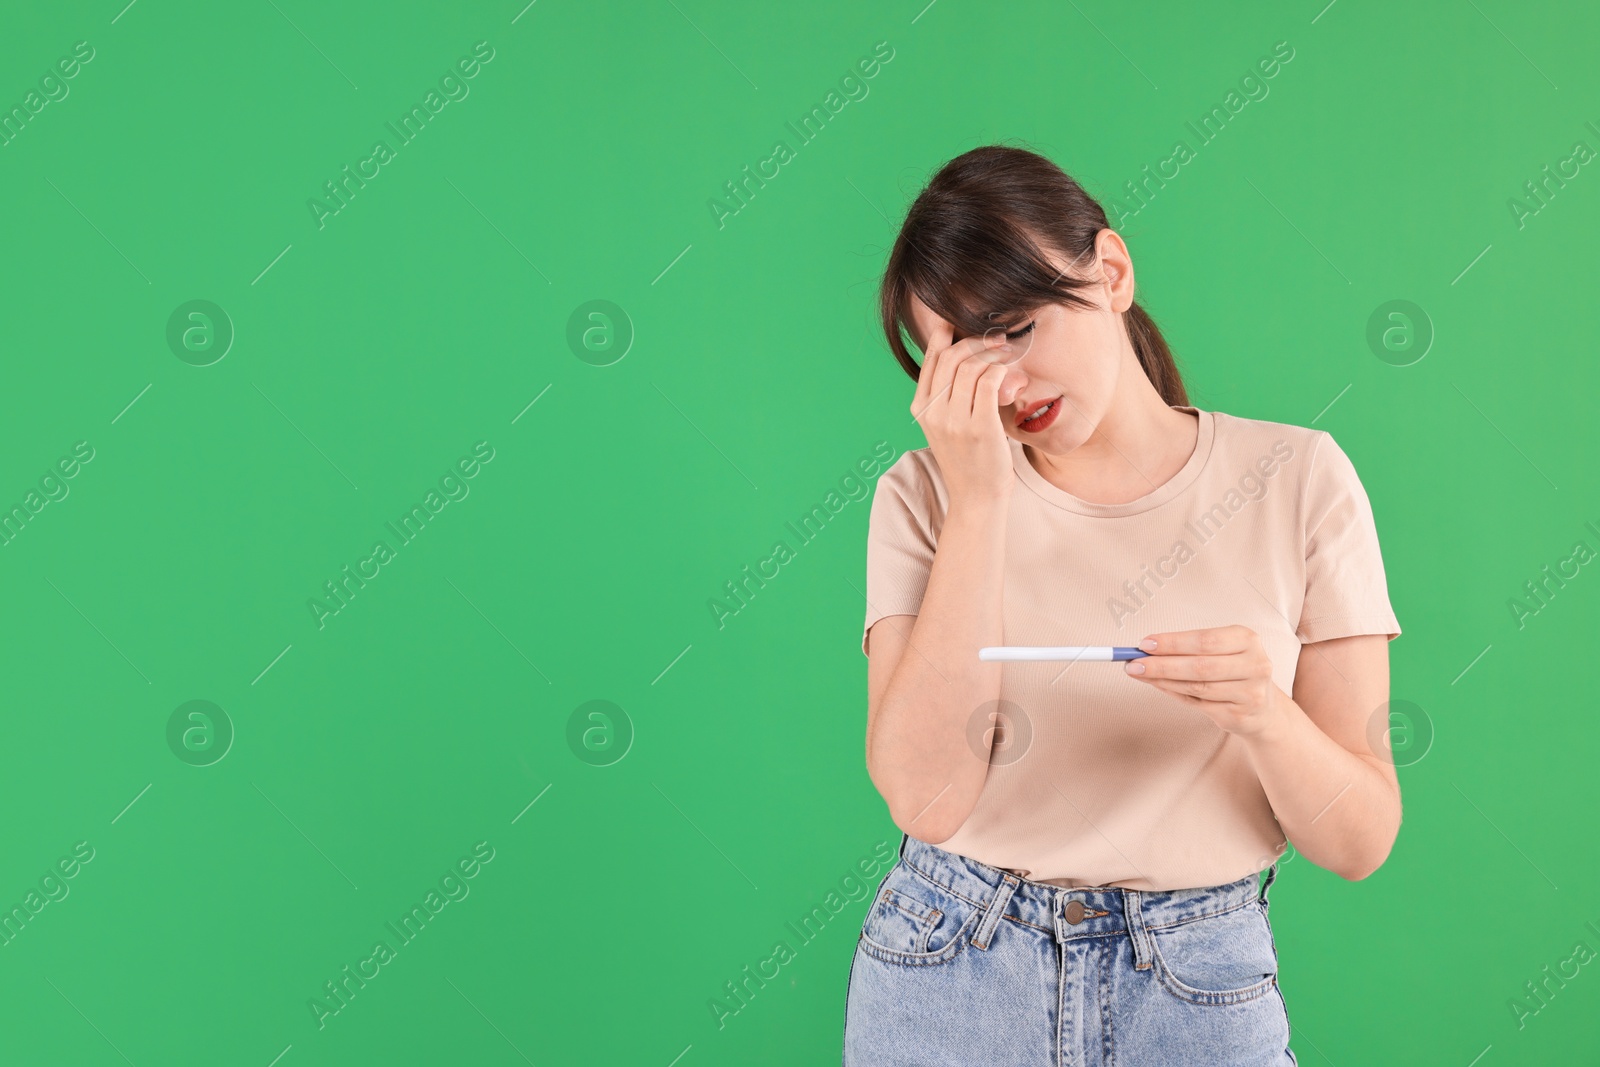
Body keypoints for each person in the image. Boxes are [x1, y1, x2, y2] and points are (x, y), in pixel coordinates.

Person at [844, 144, 1403, 1066]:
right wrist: (982, 500)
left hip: (1198, 977)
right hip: (951, 962)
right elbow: (925, 797)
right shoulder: (923, 496)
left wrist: (1263, 713)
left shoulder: (1300, 477)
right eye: (959, 360)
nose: (1006, 387)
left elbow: (1359, 838)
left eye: (1018, 329)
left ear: (1110, 272)